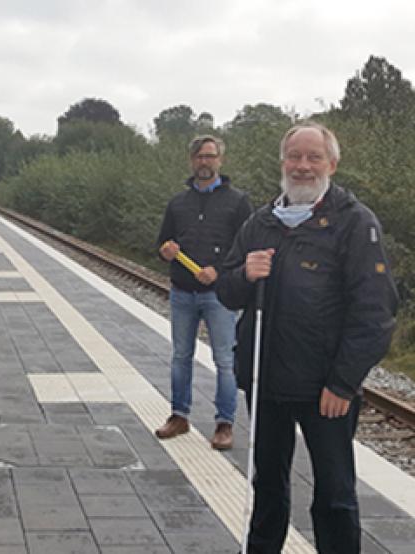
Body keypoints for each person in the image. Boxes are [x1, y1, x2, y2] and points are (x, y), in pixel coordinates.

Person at [216, 122, 397, 553]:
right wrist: (245, 273)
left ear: (331, 164)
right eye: (294, 157)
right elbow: (225, 290)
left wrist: (343, 382)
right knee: (268, 487)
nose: (302, 166)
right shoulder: (260, 222)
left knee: (334, 495)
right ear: (283, 163)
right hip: (266, 382)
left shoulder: (354, 223)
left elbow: (375, 313)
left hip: (325, 389)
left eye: (313, 157)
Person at [154, 135, 253, 450]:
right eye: (199, 156)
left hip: (219, 295)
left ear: (220, 160)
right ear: (191, 160)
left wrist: (220, 271)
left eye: (210, 156)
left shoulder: (238, 202)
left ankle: (225, 424)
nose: (204, 162)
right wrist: (166, 251)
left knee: (224, 360)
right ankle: (178, 416)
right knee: (181, 357)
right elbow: (162, 242)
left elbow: (245, 249)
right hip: (182, 292)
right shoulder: (177, 203)